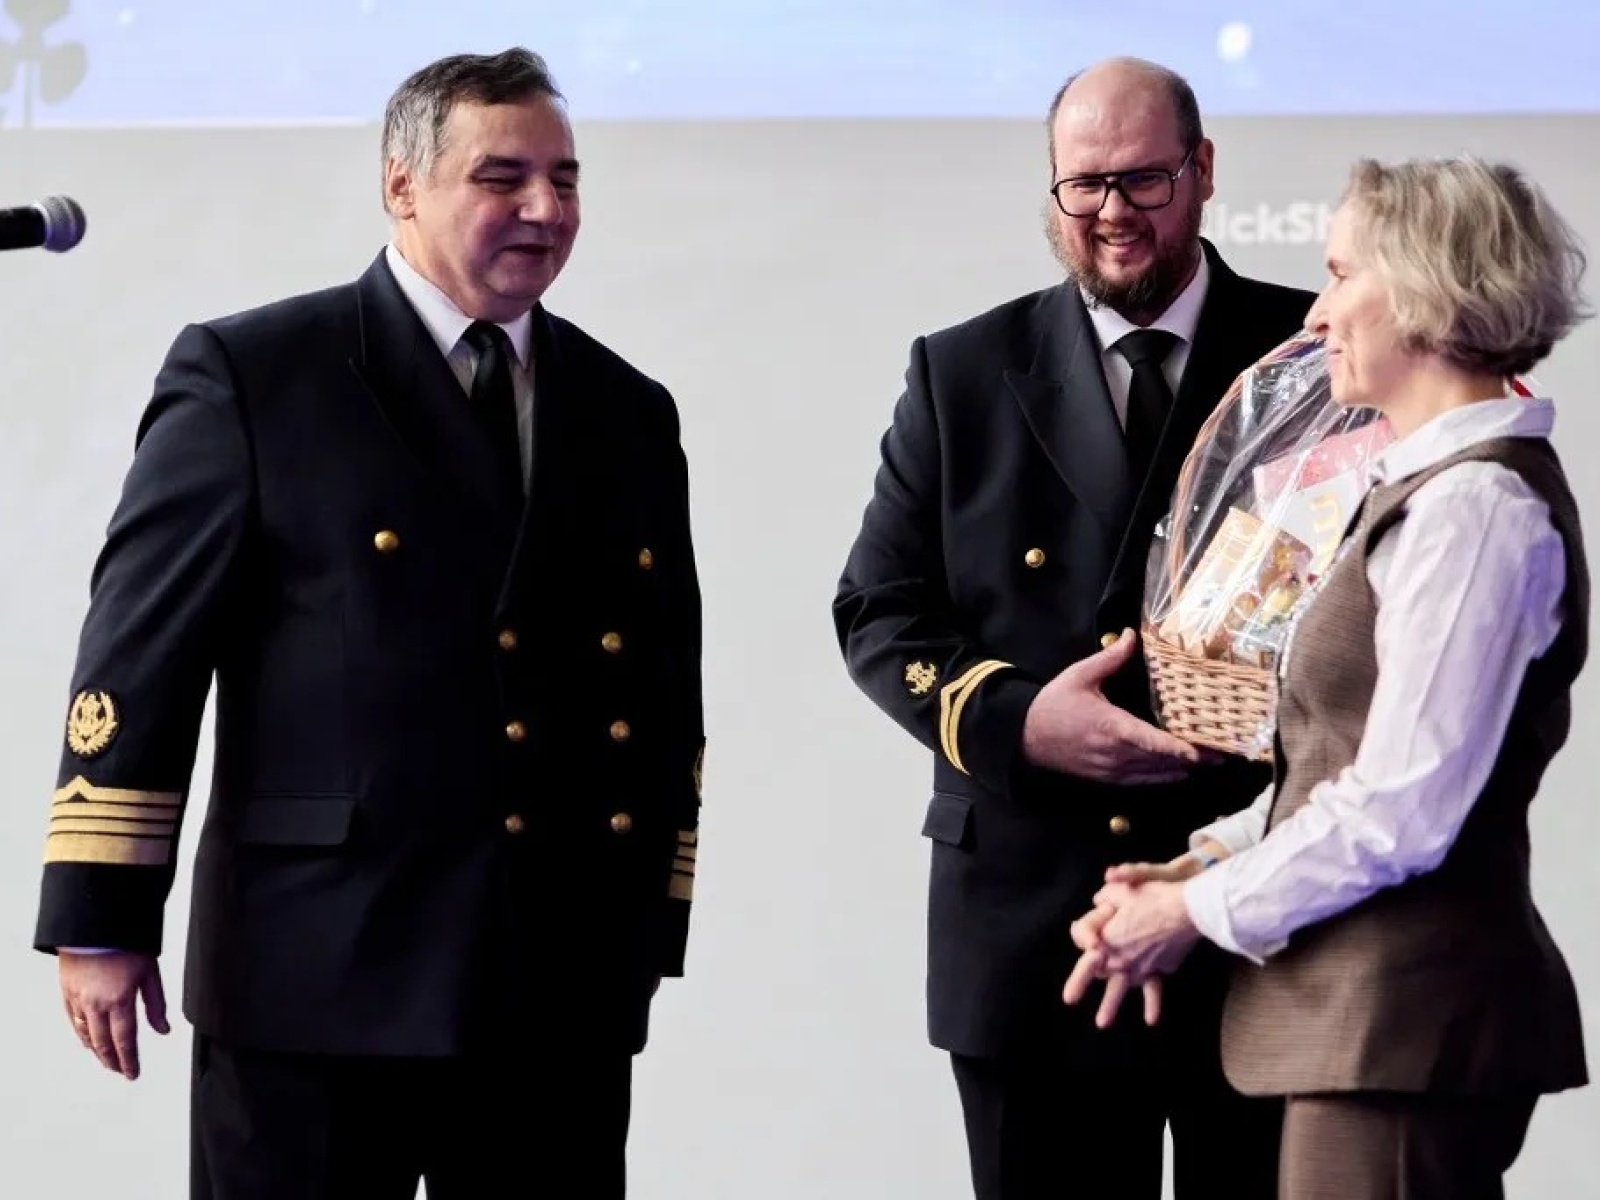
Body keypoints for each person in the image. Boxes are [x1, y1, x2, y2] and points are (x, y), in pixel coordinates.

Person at [33, 47, 704, 1200]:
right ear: (402, 185)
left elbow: (660, 686)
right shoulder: (256, 374)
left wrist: (650, 921)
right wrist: (101, 914)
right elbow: (141, 657)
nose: (545, 209)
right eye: (502, 177)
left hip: (556, 981)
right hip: (317, 972)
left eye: (564, 179)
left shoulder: (625, 409)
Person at [832, 56, 1314, 1200]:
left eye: (1143, 181)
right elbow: (877, 609)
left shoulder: (1310, 352)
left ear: (1202, 170)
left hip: (1256, 908)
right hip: (1033, 921)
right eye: (1082, 185)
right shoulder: (961, 371)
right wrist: (1018, 723)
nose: (1110, 213)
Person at [1065, 154, 1592, 1199]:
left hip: (1403, 1023)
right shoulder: (1437, 493)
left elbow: (1399, 809)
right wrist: (1198, 864)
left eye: (1341, 273)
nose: (1316, 313)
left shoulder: (1472, 510)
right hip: (1373, 1027)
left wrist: (1190, 914)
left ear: (1427, 288)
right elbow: (1341, 766)